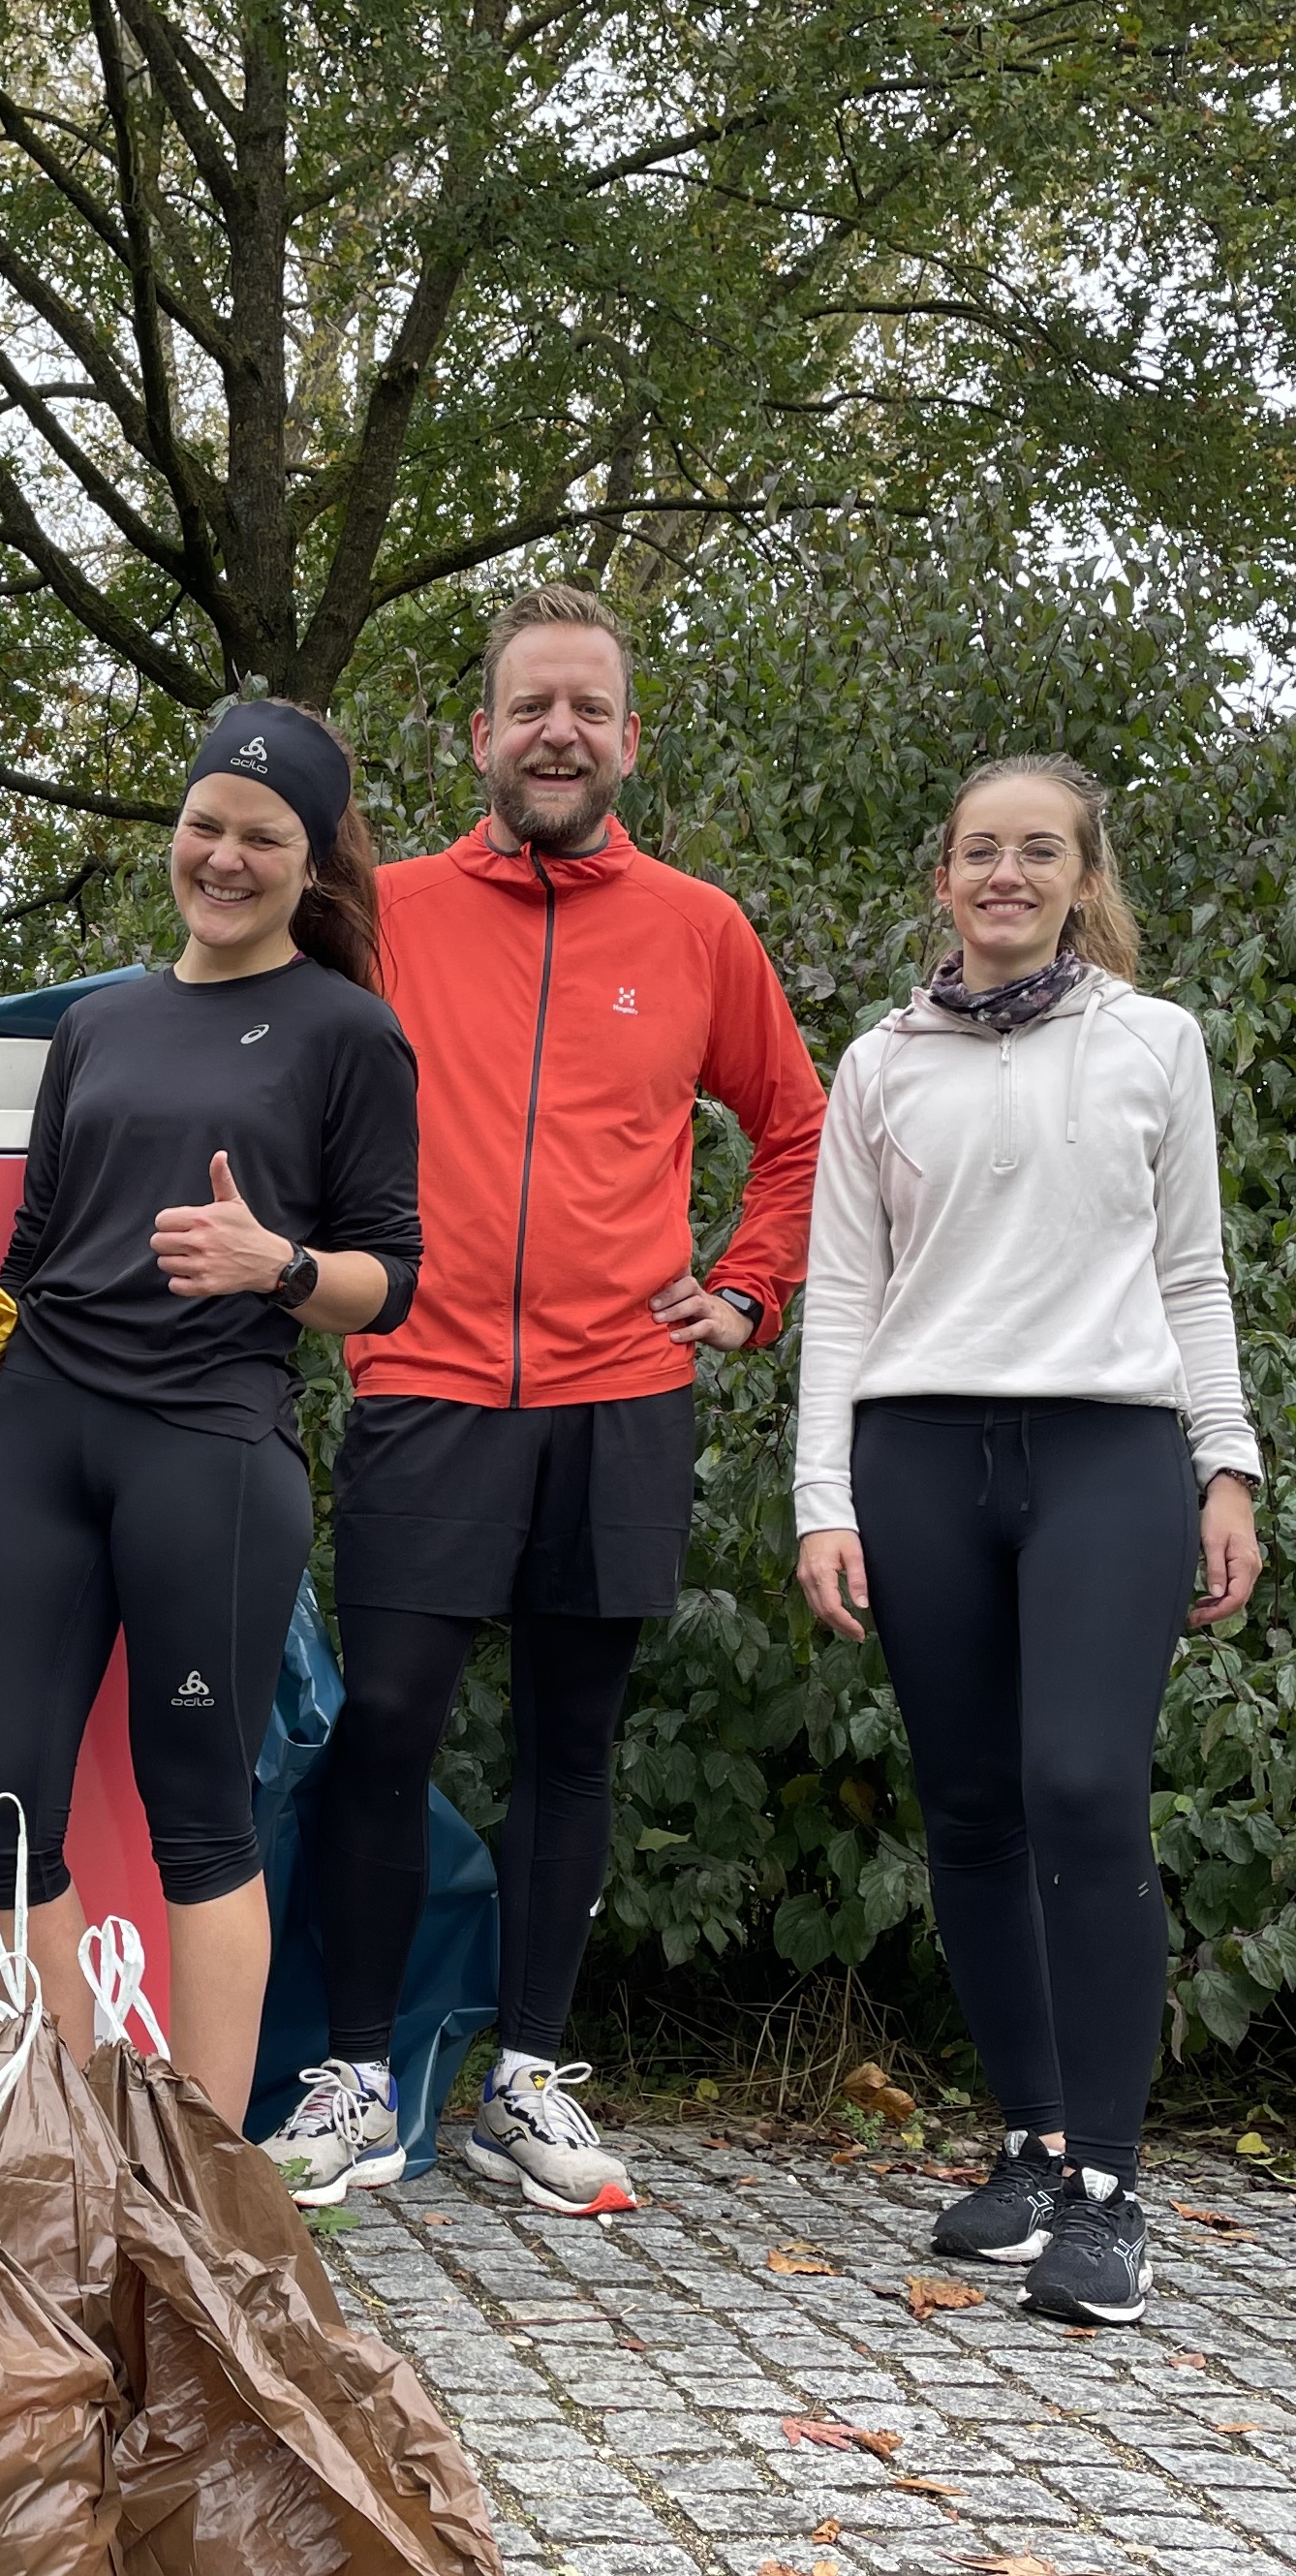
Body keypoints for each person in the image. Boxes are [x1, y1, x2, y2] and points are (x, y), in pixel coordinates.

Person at [265, 582, 827, 2211]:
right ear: (481, 736)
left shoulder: (697, 926)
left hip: (621, 1391)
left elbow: (791, 1125)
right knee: (381, 1729)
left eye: (588, 707)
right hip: (426, 1379)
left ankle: (527, 2076)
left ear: (628, 737)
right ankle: (360, 2073)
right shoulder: (386, 909)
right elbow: (245, 1009)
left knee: (570, 1746)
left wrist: (746, 1285)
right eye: (531, 707)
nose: (559, 732)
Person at [791, 758, 1264, 2327]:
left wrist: (1228, 1468)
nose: (1004, 872)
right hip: (917, 1449)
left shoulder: (1153, 1042)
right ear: (942, 876)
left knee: (1080, 1780)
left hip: (1105, 1448)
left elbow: (1191, 1274)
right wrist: (820, 1498)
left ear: (1079, 874)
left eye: (1035, 850)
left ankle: (1114, 2191)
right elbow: (840, 1296)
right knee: (973, 1805)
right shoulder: (877, 1062)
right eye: (978, 849)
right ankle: (1031, 2145)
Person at [0, 705, 421, 2126]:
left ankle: (200, 2184)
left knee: (200, 1823)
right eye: (208, 824)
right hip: (44, 1450)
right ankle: (62, 2144)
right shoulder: (100, 1022)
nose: (227, 856)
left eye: (265, 837)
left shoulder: (349, 1035)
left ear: (311, 864)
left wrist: (282, 1266)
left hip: (207, 1456)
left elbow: (395, 1279)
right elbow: (24, 1263)